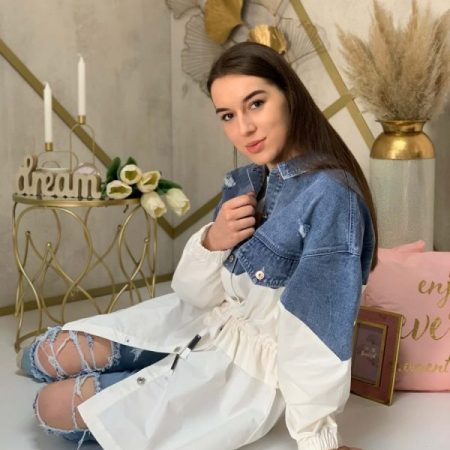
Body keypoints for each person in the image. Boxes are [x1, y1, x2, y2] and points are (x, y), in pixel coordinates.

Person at [18, 42, 377, 450]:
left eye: (256, 104)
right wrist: (213, 240)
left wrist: (318, 438)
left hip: (241, 373)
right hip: (201, 322)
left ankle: (133, 380)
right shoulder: (249, 180)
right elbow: (194, 294)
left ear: (289, 96)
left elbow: (315, 333)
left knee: (50, 408)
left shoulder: (331, 197)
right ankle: (131, 367)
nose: (244, 128)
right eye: (228, 115)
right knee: (44, 354)